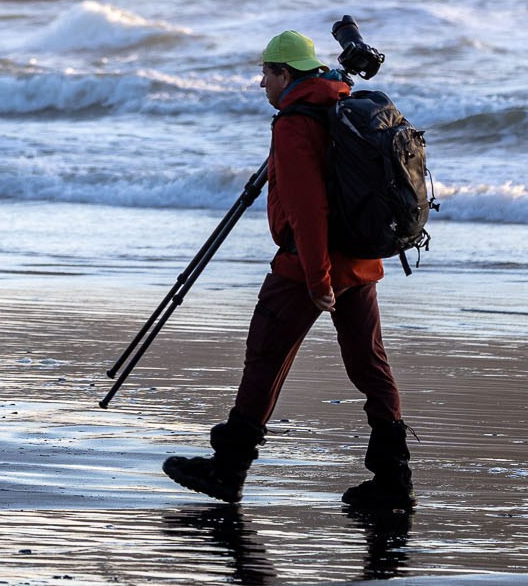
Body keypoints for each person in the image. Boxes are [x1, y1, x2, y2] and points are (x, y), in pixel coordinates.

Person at [161, 29, 413, 508]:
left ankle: (228, 469)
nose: (261, 84)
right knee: (369, 364)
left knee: (265, 357)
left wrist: (318, 280)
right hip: (360, 260)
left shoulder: (296, 123)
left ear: (285, 74)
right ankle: (393, 479)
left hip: (308, 267)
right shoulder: (340, 100)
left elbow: (307, 210)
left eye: (266, 73)